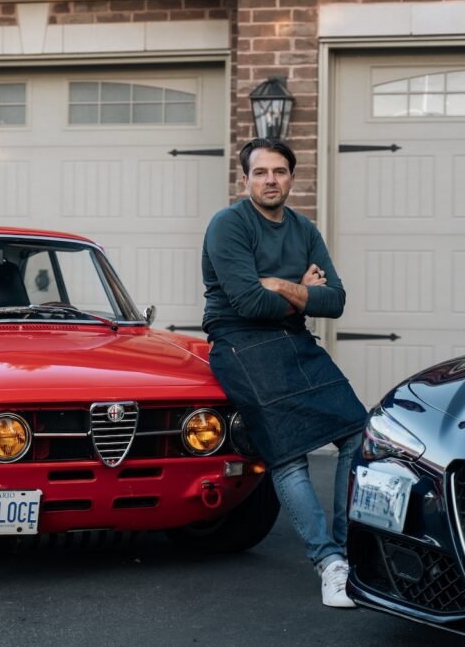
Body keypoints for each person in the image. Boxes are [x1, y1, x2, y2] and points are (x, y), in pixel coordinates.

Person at [201, 137, 366, 608]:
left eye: (279, 171)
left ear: (292, 177)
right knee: (288, 453)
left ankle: (350, 548)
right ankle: (329, 563)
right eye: (260, 172)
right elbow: (248, 303)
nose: (270, 180)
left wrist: (278, 284)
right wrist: (302, 291)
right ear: (245, 180)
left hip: (294, 340)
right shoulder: (229, 225)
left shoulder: (304, 228)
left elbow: (335, 301)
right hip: (241, 343)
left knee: (358, 431)